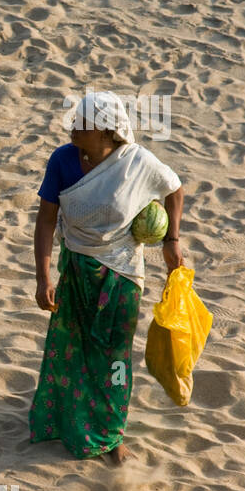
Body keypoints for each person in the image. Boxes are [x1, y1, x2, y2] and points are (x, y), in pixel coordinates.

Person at [29, 91, 185, 465]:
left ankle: (111, 435)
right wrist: (42, 276)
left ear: (106, 132)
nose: (73, 128)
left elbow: (174, 188)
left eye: (82, 124)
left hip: (122, 271)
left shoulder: (136, 163)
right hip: (77, 267)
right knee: (73, 346)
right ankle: (67, 419)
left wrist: (171, 240)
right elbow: (47, 219)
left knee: (113, 353)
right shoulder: (63, 161)